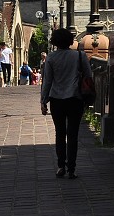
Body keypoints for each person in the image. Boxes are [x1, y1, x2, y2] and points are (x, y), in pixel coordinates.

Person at [40, 28, 93, 179]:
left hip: (57, 99)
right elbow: (88, 76)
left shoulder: (51, 58)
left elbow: (47, 81)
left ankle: (60, 166)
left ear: (55, 42)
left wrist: (43, 101)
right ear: (70, 41)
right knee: (73, 134)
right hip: (75, 98)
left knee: (60, 133)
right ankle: (72, 168)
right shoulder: (79, 55)